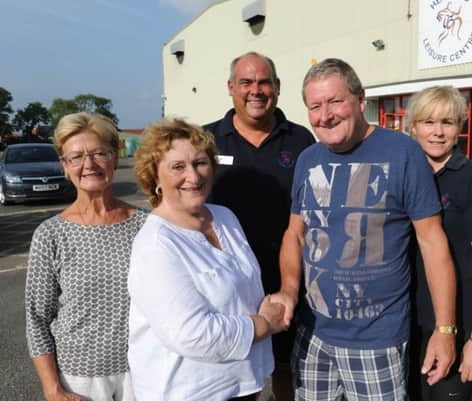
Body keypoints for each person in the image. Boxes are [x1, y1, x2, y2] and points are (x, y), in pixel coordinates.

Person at [271, 58, 457, 400]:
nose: (325, 115)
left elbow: (432, 242)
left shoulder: (403, 154)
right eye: (315, 106)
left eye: (335, 101)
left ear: (360, 100)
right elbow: (295, 233)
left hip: (376, 339)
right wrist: (287, 290)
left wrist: (445, 329)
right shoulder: (309, 159)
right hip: (312, 335)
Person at [128, 118, 286, 401]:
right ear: (154, 177)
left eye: (200, 162)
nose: (194, 176)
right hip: (188, 391)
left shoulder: (224, 217)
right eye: (177, 166)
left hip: (240, 385)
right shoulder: (156, 244)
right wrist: (264, 325)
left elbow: (243, 285)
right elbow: (191, 333)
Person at [203, 51, 315, 401]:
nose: (256, 90)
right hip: (224, 284)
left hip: (285, 279)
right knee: (228, 373)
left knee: (285, 368)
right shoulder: (204, 141)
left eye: (264, 82)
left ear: (277, 88)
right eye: (246, 82)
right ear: (230, 88)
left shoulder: (301, 141)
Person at [25, 112, 147, 401]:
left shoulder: (146, 225)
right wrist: (52, 388)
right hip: (80, 379)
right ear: (64, 166)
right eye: (76, 157)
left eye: (98, 153)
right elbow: (37, 319)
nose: (88, 165)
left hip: (144, 371)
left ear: (115, 157)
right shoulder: (51, 234)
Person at [406, 86, 472, 400]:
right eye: (428, 122)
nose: (437, 132)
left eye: (447, 123)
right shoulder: (403, 174)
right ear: (413, 127)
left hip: (456, 322)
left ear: (460, 128)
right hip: (404, 321)